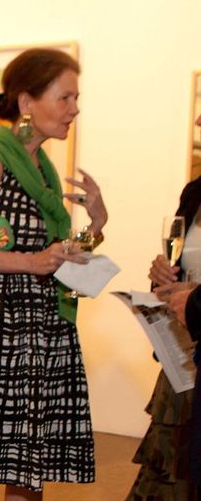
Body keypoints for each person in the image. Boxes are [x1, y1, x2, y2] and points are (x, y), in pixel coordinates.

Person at [0, 48, 107, 501]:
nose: (75, 109)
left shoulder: (43, 169)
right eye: (65, 97)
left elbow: (54, 254)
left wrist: (96, 224)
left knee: (25, 471)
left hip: (40, 332)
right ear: (27, 102)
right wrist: (33, 263)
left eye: (76, 98)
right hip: (1, 334)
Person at [132, 110, 201, 499]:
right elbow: (177, 266)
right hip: (184, 352)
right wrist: (163, 274)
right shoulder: (194, 193)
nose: (197, 122)